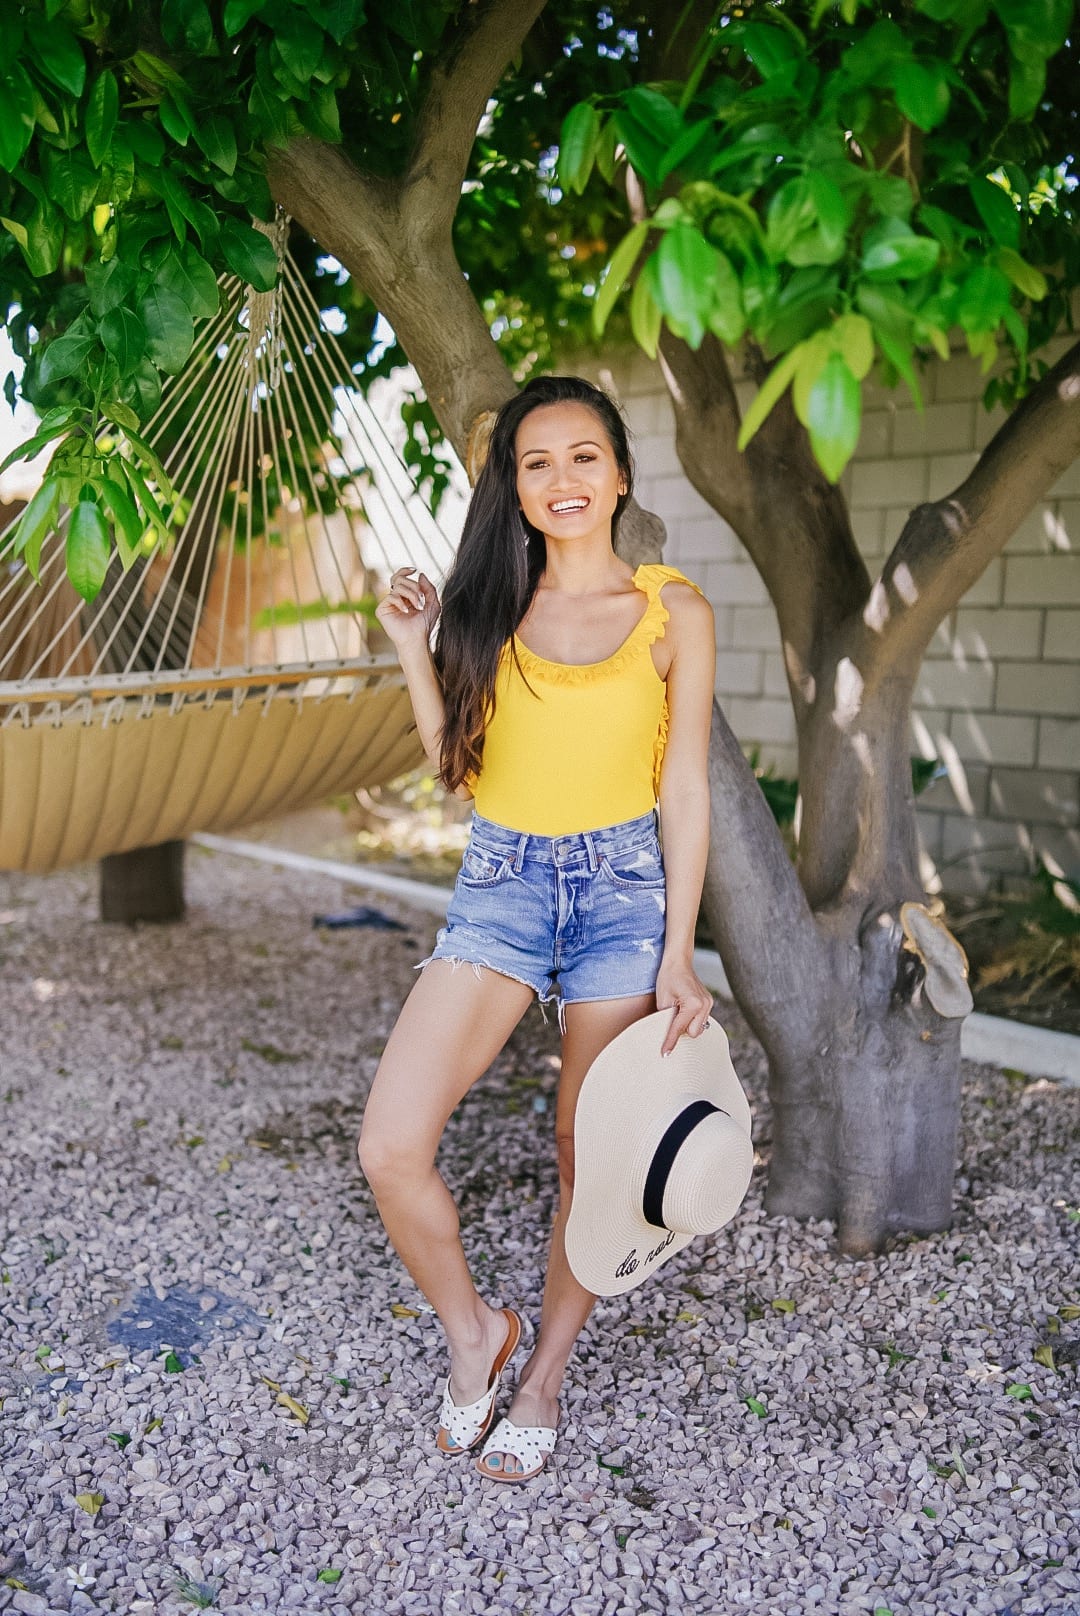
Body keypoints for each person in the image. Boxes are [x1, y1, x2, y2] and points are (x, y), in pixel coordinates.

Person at [358, 374, 715, 1483]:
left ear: (618, 473)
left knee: (587, 1155)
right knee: (390, 1145)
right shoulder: (491, 604)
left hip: (621, 894)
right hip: (502, 883)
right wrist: (415, 642)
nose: (563, 480)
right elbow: (455, 766)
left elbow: (687, 794)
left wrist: (678, 951)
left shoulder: (674, 611)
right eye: (537, 463)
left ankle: (547, 1375)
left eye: (584, 457)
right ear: (515, 489)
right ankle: (479, 1332)